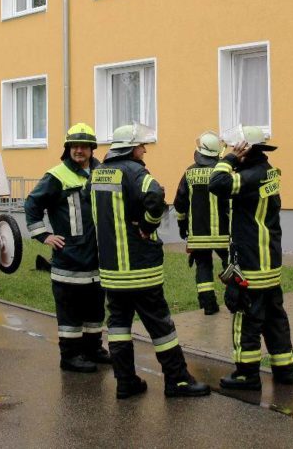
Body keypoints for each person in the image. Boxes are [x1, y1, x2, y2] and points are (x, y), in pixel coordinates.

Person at [91, 124, 210, 399]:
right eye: (142, 145)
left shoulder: (98, 173)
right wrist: (147, 224)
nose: (145, 149)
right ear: (132, 148)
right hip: (140, 267)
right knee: (160, 326)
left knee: (119, 326)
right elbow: (155, 196)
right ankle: (178, 380)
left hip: (112, 270)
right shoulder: (135, 171)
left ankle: (125, 382)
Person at [210, 127, 293, 390]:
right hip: (269, 260)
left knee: (245, 317)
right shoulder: (268, 171)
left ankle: (246, 373)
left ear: (245, 149)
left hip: (251, 262)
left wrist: (229, 160)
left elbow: (217, 184)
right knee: (274, 318)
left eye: (236, 148)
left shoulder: (250, 177)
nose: (232, 152)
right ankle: (284, 369)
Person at [24, 123, 110, 373]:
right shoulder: (57, 175)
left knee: (95, 306)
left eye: (84, 146)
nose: (79, 150)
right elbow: (32, 204)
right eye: (74, 146)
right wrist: (44, 235)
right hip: (69, 257)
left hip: (97, 257)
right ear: (68, 148)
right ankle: (70, 356)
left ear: (92, 148)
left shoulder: (101, 172)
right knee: (70, 308)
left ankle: (93, 348)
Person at [173, 131, 230, 315]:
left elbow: (180, 204)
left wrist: (182, 226)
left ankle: (208, 305)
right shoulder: (224, 172)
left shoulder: (189, 173)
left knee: (203, 267)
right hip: (224, 234)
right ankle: (234, 300)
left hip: (198, 235)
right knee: (230, 265)